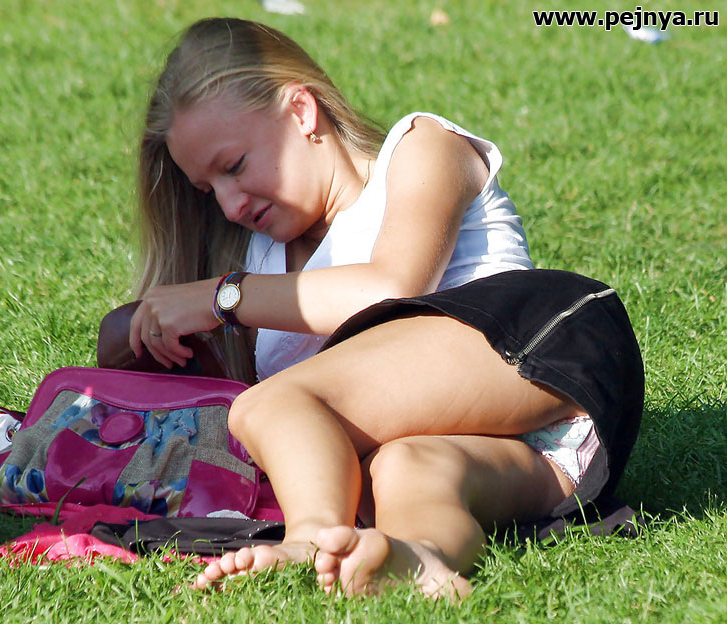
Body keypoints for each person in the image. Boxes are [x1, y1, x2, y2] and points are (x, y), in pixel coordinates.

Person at [116, 17, 643, 598]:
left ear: (301, 111)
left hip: (539, 345)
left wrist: (221, 297)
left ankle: (311, 540)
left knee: (273, 403)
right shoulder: (261, 260)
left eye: (234, 166)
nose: (230, 204)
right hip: (543, 455)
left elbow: (390, 287)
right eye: (207, 190)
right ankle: (417, 560)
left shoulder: (420, 147)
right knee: (404, 469)